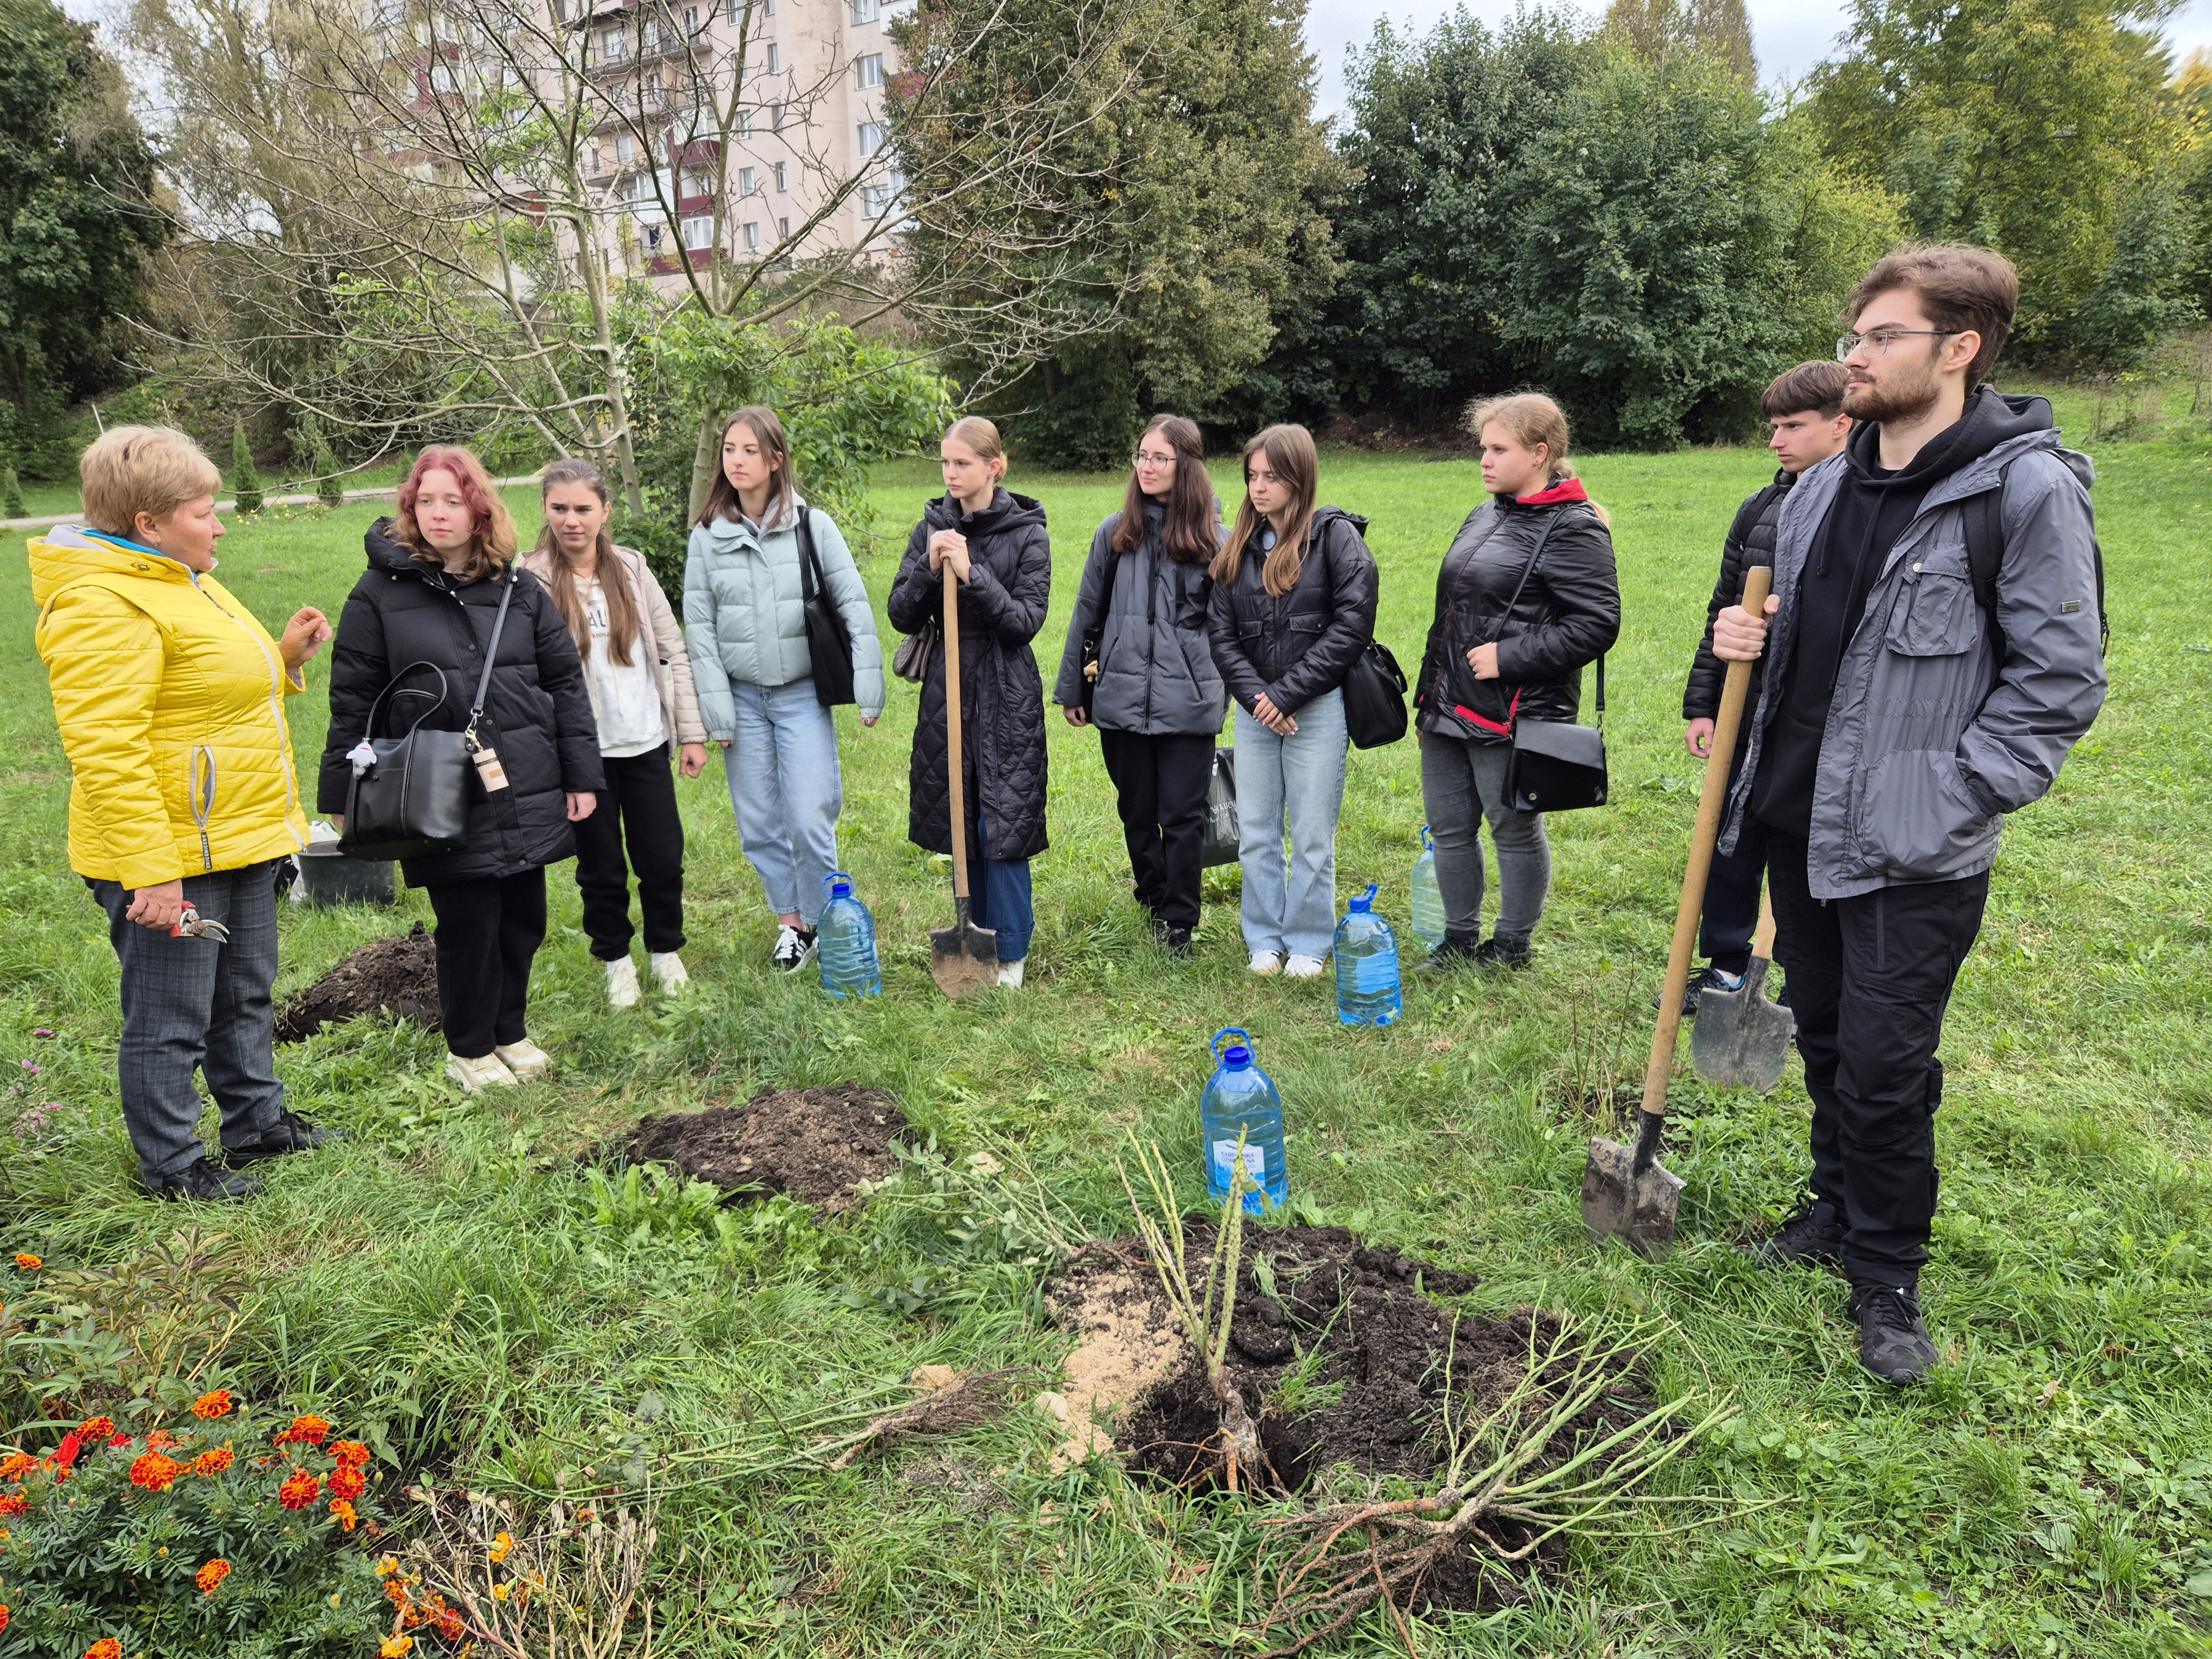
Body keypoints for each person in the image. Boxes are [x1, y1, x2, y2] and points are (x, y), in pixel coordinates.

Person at [1710, 245, 2107, 1384]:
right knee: (1827, 1040)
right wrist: (1747, 642)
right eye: (1850, 337)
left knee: (1888, 1063)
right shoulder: (1822, 487)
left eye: (1879, 336)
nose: (1855, 357)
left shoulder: (2020, 490)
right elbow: (1806, 644)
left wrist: (1955, 795)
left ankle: (1884, 1277)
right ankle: (1831, 1210)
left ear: (1957, 347)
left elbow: (2058, 679)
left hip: (1910, 842)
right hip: (1799, 822)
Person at [32, 425, 339, 1200]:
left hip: (235, 832)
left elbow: (202, 694)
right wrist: (153, 873)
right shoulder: (101, 601)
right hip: (171, 853)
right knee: (170, 1018)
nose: (221, 524)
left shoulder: (179, 576)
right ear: (149, 522)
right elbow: (107, 748)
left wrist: (282, 659)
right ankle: (172, 1167)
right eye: (206, 511)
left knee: (244, 993)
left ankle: (257, 1126)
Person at [321, 448, 603, 1091]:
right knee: (470, 920)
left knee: (524, 915)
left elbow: (564, 683)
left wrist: (581, 775)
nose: (439, 514)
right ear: (409, 508)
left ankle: (510, 1031)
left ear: (480, 510)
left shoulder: (518, 588)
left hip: (525, 775)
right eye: (426, 501)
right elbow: (353, 698)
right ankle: (469, 1048)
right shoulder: (376, 594)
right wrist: (340, 787)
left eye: (453, 501)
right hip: (437, 787)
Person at [1410, 394, 1619, 971]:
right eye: (1484, 448)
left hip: (1512, 710)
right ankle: (1457, 941)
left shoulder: (1573, 529)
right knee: (1449, 828)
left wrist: (1510, 657)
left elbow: (1597, 624)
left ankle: (1510, 947)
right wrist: (1427, 703)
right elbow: (1447, 615)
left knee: (1512, 828)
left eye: (1498, 449)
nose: (1484, 460)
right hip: (1450, 706)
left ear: (1540, 454)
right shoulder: (1486, 513)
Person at [1671, 362, 1853, 1013]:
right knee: (1729, 839)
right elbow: (1723, 609)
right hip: (1744, 708)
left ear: (1843, 423)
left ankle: (1809, 977)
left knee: (1804, 847)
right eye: (1772, 426)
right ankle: (1725, 964)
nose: (1776, 439)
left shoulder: (1860, 511)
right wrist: (1704, 701)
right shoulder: (1760, 507)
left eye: (1792, 426)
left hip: (1815, 720)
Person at [684, 407, 885, 972]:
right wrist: (716, 712)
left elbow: (852, 606)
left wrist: (868, 687)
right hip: (743, 699)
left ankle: (827, 922)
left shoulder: (811, 526)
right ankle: (790, 923)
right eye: (730, 450)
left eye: (750, 450)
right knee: (760, 821)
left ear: (776, 460)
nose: (738, 460)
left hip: (801, 694)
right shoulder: (706, 537)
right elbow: (698, 628)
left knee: (808, 812)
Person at [521, 460, 711, 1007]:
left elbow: (673, 651)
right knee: (600, 865)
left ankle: (664, 950)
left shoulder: (631, 567)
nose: (571, 521)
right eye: (560, 509)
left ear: (605, 512)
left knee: (661, 856)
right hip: (583, 755)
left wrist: (691, 732)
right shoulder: (528, 579)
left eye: (583, 509)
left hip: (645, 739)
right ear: (546, 510)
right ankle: (616, 960)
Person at [1207, 424, 1378, 979]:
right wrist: (1259, 699)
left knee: (1309, 835)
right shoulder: (1237, 547)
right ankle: (1264, 937)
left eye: (1271, 477)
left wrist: (1287, 695)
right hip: (1257, 713)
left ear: (1299, 478)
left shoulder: (1335, 538)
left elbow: (1351, 627)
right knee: (1255, 833)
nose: (1258, 488)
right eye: (1252, 476)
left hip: (1318, 710)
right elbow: (1220, 634)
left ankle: (1307, 941)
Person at [886, 416, 1051, 987]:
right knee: (961, 815)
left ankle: (1011, 949)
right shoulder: (930, 526)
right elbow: (901, 614)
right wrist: (931, 569)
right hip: (947, 688)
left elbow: (1025, 622)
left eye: (962, 463)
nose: (951, 473)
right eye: (945, 463)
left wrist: (973, 573)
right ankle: (975, 932)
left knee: (1000, 821)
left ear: (993, 467)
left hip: (1005, 688)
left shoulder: (1028, 530)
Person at [1052, 414, 1225, 959]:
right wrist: (1073, 691)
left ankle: (1180, 922)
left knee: (1182, 815)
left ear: (1186, 466)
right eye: (1141, 456)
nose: (1147, 467)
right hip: (1121, 696)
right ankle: (1151, 899)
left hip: (1189, 701)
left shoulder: (1215, 539)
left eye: (1160, 458)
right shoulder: (1115, 532)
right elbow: (1088, 612)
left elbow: (1231, 625)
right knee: (1137, 809)